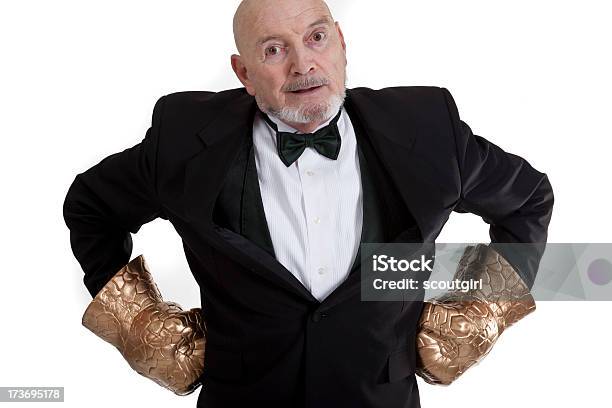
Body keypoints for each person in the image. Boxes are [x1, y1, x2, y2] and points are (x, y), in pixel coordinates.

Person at [62, 0, 554, 407]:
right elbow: (91, 206)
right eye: (274, 50)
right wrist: (141, 324)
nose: (303, 65)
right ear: (244, 72)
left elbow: (527, 200)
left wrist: (481, 312)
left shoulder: (427, 131)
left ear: (341, 42)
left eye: (316, 38)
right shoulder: (182, 141)